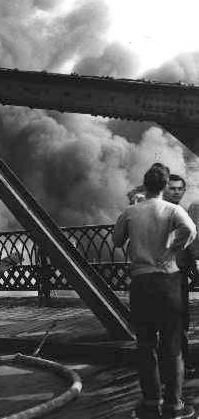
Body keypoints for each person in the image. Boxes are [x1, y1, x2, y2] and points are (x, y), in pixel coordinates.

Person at [114, 165, 197, 419]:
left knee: (146, 345)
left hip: (141, 283)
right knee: (173, 346)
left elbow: (117, 241)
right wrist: (172, 251)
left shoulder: (130, 211)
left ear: (145, 185)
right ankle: (174, 404)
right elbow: (191, 231)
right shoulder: (173, 209)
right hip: (168, 282)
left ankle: (151, 402)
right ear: (163, 186)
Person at [165, 174, 198, 378]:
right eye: (172, 188)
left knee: (178, 319)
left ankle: (178, 364)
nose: (176, 192)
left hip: (178, 273)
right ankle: (179, 365)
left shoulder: (182, 210)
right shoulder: (171, 212)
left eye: (179, 189)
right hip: (170, 274)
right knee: (176, 319)